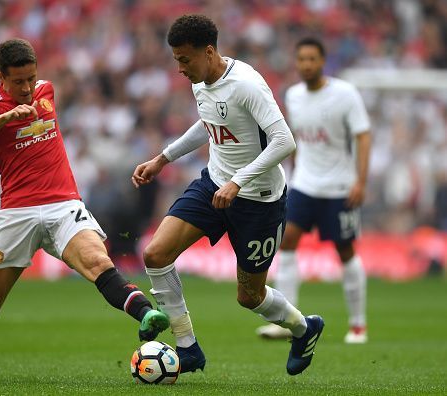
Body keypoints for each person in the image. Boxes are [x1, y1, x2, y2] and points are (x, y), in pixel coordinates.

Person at [0, 38, 169, 379]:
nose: (27, 87)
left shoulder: (46, 91)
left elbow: (39, 97)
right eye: (18, 81)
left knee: (97, 260)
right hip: (17, 211)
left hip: (63, 203)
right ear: (0, 77)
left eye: (30, 78)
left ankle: (145, 314)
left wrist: (27, 100)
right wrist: (7, 115)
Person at [131, 15, 324, 376]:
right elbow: (210, 123)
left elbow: (285, 141)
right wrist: (163, 157)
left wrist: (239, 181)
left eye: (184, 59)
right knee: (156, 255)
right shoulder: (200, 81)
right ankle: (188, 348)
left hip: (259, 199)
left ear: (208, 51)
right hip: (214, 183)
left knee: (249, 296)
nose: (179, 68)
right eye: (176, 60)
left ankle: (304, 327)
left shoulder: (247, 85)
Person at [256, 37, 371, 344]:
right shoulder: (293, 96)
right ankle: (287, 321)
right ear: (297, 63)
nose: (306, 64)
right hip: (304, 185)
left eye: (312, 59)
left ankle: (358, 324)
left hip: (339, 188)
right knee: (288, 242)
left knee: (345, 251)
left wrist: (361, 180)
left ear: (322, 62)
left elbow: (363, 136)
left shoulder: (345, 94)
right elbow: (292, 138)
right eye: (301, 59)